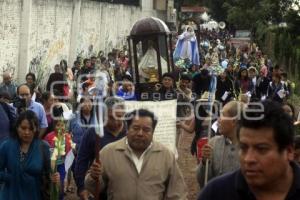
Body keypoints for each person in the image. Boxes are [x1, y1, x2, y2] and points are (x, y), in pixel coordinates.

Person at [198, 100, 300, 200]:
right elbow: (202, 179)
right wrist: (204, 162)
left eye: (261, 149)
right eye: (243, 147)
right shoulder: (216, 192)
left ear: (289, 151)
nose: (248, 159)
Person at [85, 109, 188, 199]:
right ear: (127, 129)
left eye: (146, 130)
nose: (140, 133)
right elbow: (94, 189)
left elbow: (177, 193)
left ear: (153, 131)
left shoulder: (166, 155)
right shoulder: (108, 152)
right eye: (135, 128)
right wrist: (94, 178)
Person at [74, 96, 127, 199]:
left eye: (120, 117)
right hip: (99, 190)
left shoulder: (130, 132)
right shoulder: (93, 133)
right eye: (111, 117)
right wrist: (82, 188)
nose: (116, 122)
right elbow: (81, 162)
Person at [0, 110, 60, 200]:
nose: (27, 132)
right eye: (23, 128)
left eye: (31, 128)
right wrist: (11, 178)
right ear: (17, 127)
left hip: (34, 195)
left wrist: (54, 178)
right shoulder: (6, 146)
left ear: (36, 129)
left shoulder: (43, 147)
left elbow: (50, 173)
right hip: (10, 195)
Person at [196, 101, 243, 188]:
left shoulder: (248, 148)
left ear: (234, 121)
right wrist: (204, 163)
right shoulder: (213, 143)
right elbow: (202, 182)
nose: (218, 120)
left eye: (222, 115)